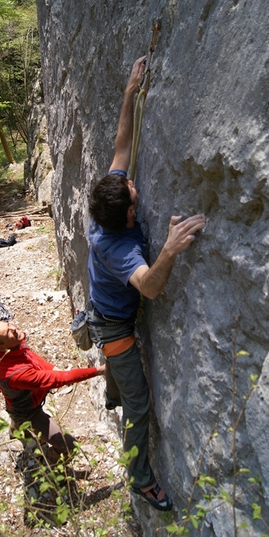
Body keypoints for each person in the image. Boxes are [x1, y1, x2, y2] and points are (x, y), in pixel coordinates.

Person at [87, 56, 206, 511]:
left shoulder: (110, 199)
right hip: (114, 326)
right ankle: (139, 479)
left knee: (119, 377)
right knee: (138, 405)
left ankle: (112, 387)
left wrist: (129, 92)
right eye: (135, 195)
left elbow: (122, 147)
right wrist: (170, 249)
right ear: (129, 217)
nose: (133, 183)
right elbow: (150, 288)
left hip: (104, 305)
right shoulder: (119, 247)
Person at [0, 320, 105, 463]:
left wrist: (53, 369)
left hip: (17, 403)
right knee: (69, 446)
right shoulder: (15, 374)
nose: (14, 328)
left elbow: (29, 356)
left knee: (16, 415)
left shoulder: (8, 348)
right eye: (8, 332)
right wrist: (99, 370)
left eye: (9, 324)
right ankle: (51, 464)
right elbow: (58, 379)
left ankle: (16, 430)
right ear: (2, 347)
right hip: (29, 412)